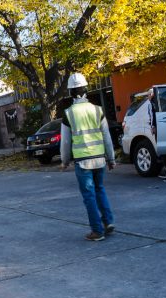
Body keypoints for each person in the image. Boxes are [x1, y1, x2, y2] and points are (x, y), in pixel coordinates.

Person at [61, 72, 116, 242]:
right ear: (86, 89)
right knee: (99, 189)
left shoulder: (69, 114)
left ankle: (97, 231)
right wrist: (111, 158)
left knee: (89, 195)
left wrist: (64, 161)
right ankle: (108, 222)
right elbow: (106, 137)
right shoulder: (97, 110)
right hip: (99, 159)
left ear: (71, 92)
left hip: (83, 161)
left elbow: (65, 142)